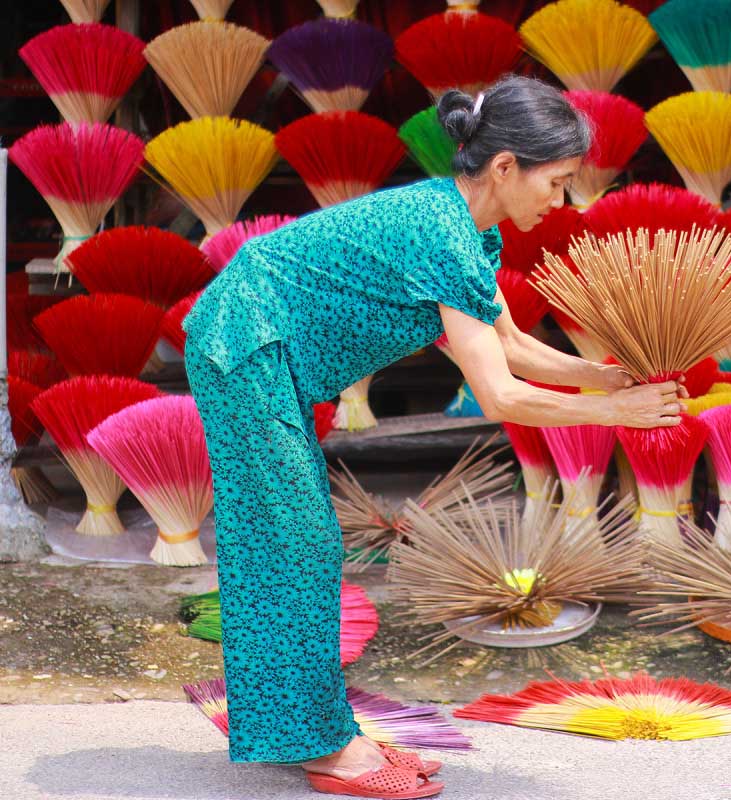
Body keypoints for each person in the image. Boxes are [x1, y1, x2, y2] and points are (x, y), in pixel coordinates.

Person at [182, 75, 683, 799]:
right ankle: (325, 749)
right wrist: (617, 416)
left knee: (292, 541)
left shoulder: (468, 233)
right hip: (246, 341)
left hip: (265, 347)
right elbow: (500, 393)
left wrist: (610, 381)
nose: (563, 201)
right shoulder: (443, 232)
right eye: (559, 182)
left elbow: (511, 346)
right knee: (292, 541)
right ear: (506, 166)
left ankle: (315, 731)